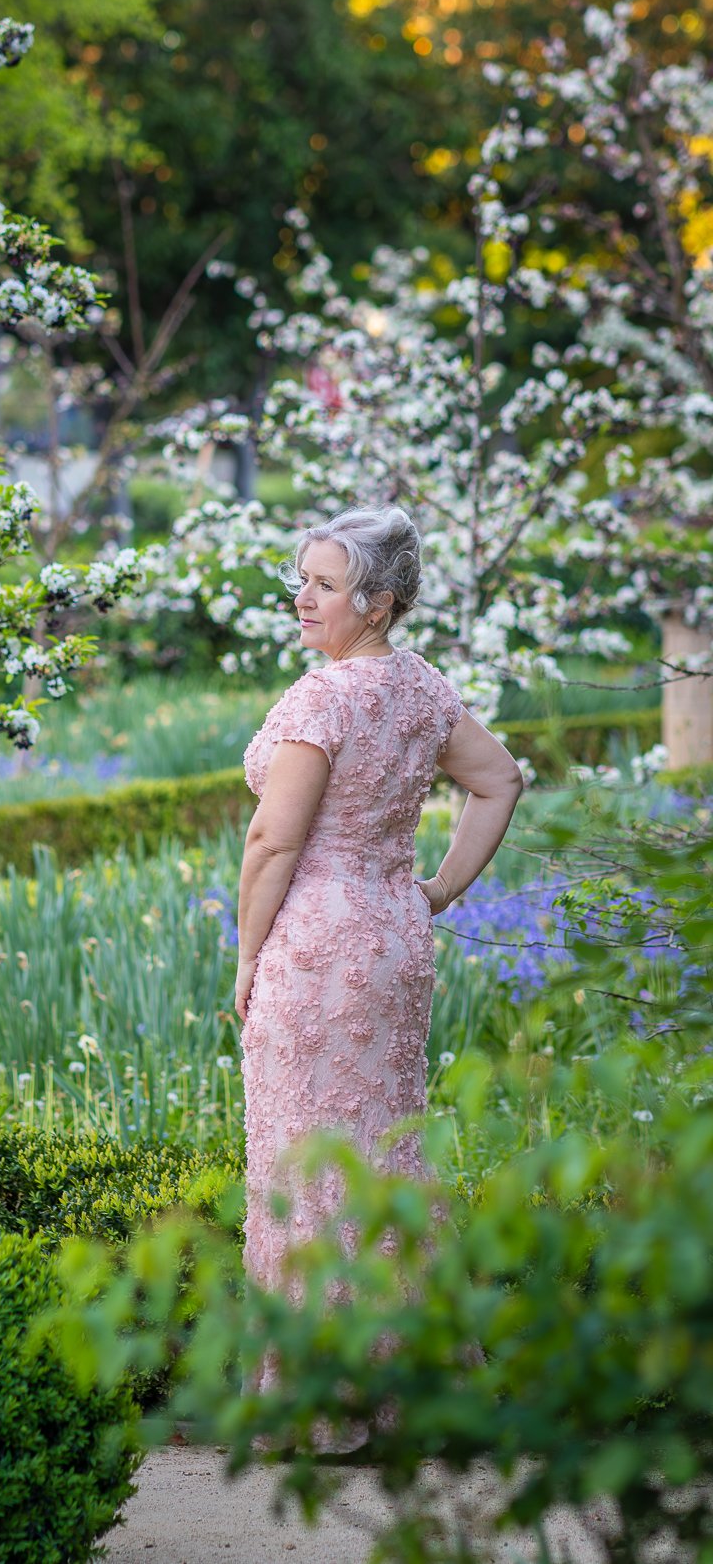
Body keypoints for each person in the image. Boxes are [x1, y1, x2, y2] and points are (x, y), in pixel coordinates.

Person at [235, 504, 523, 1444]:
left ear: (379, 601)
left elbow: (274, 838)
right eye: (303, 579)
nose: (302, 597)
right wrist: (437, 888)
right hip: (394, 936)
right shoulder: (421, 690)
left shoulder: (323, 699)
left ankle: (323, 1406)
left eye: (323, 584)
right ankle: (410, 1391)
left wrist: (245, 955)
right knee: (382, 1154)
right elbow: (501, 779)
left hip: (316, 943)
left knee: (306, 1160)